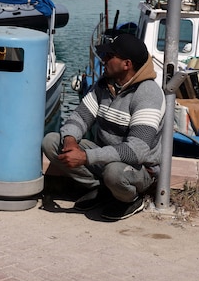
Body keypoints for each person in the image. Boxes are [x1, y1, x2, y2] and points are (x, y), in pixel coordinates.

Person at [42, 33, 165, 221]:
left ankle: (130, 200)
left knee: (114, 172)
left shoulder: (148, 94)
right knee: (51, 142)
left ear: (127, 64)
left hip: (139, 169)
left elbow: (136, 151)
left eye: (109, 56)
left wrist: (85, 157)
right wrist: (70, 141)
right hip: (105, 157)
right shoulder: (105, 85)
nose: (103, 59)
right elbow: (80, 117)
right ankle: (102, 191)